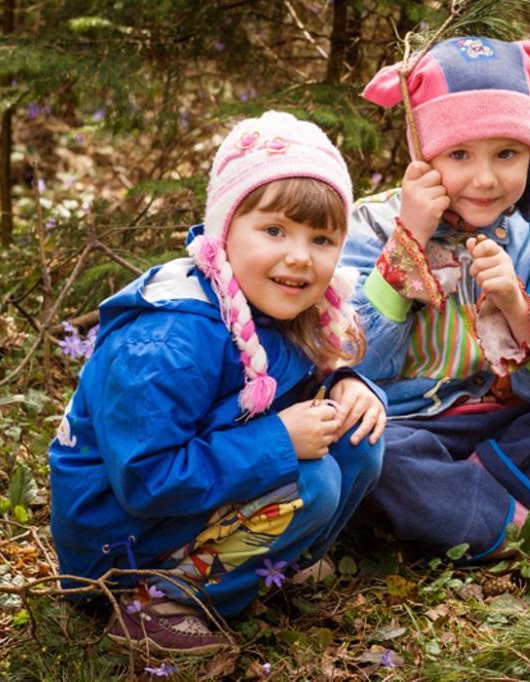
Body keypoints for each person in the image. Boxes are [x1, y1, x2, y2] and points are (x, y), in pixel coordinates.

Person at [48, 111, 386, 655]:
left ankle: (271, 566)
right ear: (226, 231)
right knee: (313, 481)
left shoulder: (278, 306)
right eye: (274, 230)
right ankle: (155, 603)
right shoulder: (168, 342)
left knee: (356, 440)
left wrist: (347, 382)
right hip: (117, 542)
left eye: (321, 238)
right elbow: (145, 479)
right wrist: (280, 441)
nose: (299, 256)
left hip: (190, 499)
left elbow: (296, 385)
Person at [343, 36, 530, 561]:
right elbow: (349, 356)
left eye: (507, 154)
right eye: (459, 154)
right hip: (407, 431)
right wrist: (406, 249)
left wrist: (516, 307)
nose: (485, 179)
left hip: (509, 427)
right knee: (366, 456)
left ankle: (457, 516)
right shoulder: (368, 226)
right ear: (423, 154)